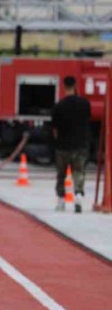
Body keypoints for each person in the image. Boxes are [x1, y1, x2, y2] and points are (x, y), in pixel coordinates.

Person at [51, 75, 92, 213]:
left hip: (63, 146)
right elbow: (87, 122)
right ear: (75, 86)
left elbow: (54, 128)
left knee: (61, 174)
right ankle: (78, 197)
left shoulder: (58, 106)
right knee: (79, 173)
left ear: (64, 87)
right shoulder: (85, 104)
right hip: (80, 145)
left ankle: (61, 202)